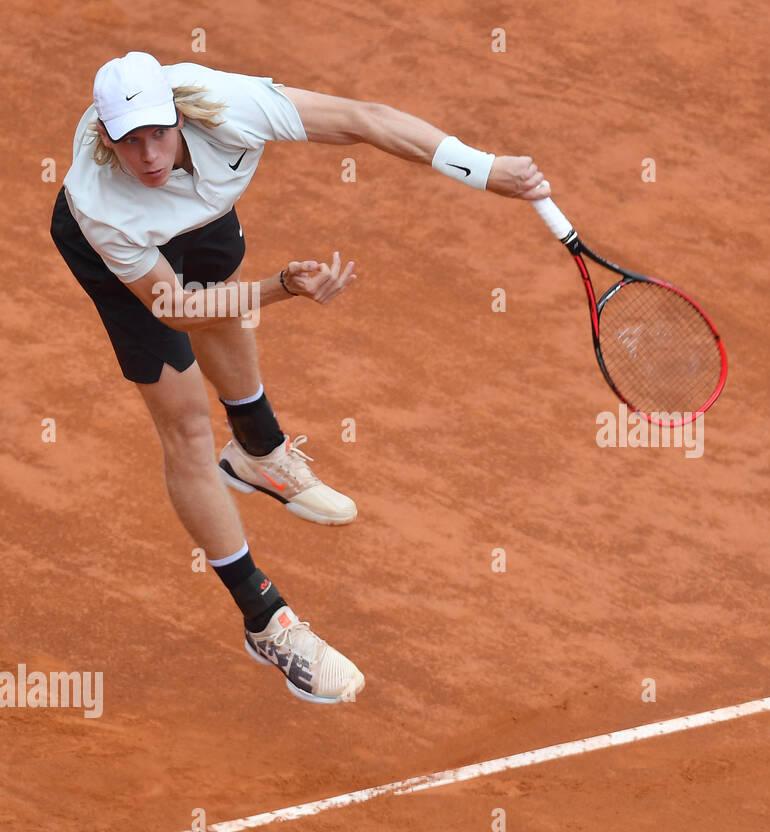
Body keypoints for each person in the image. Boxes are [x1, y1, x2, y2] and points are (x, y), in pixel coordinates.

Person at [50, 51, 549, 704]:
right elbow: (179, 309)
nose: (148, 156)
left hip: (199, 218)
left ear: (179, 117)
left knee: (225, 295)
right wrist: (282, 287)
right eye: (129, 142)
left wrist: (484, 169)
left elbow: (362, 119)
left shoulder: (226, 106)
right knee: (188, 428)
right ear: (106, 141)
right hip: (136, 262)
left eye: (158, 134)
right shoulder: (102, 204)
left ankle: (258, 452)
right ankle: (268, 622)